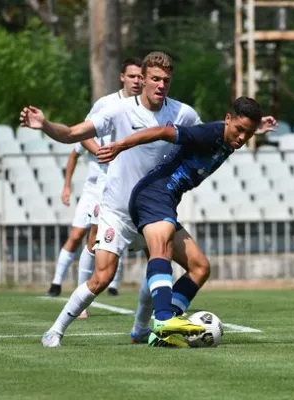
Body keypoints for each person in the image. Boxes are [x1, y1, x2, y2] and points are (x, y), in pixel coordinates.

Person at [20, 52, 226, 348]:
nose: (161, 85)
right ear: (142, 79)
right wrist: (46, 125)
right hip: (117, 211)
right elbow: (73, 134)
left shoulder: (183, 114)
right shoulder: (118, 111)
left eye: (166, 80)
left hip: (155, 209)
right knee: (102, 277)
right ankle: (55, 330)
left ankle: (144, 329)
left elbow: (209, 137)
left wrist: (252, 127)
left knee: (191, 266)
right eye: (155, 78)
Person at [96, 96, 275, 346]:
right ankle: (163, 319)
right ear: (227, 120)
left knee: (200, 267)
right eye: (239, 129)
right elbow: (161, 131)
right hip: (154, 193)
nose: (243, 137)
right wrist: (121, 145)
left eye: (249, 133)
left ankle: (165, 331)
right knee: (162, 248)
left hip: (164, 199)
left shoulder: (230, 138)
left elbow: (242, 129)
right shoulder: (207, 134)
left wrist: (258, 127)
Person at [46, 58, 143, 300]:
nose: (137, 81)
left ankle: (138, 298)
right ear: (122, 77)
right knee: (88, 235)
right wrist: (102, 153)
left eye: (141, 77)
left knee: (135, 239)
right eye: (133, 76)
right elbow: (81, 135)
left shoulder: (148, 106)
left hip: (132, 183)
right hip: (101, 183)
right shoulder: (107, 103)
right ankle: (71, 291)